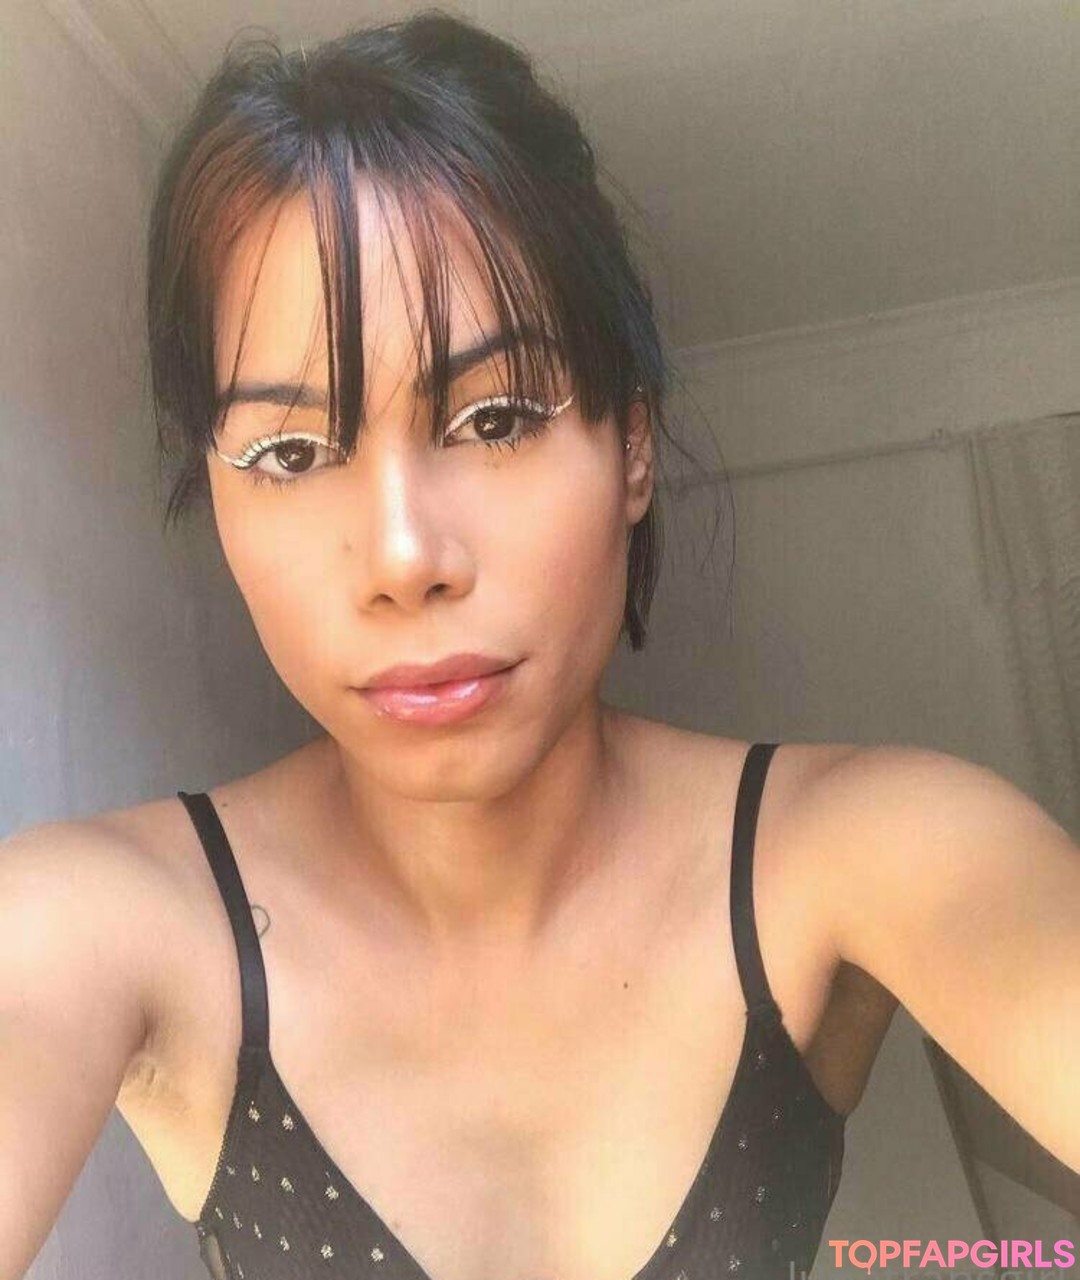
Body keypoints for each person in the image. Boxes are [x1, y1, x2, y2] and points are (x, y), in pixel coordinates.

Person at [2, 10, 1077, 1280]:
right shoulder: (97, 919)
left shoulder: (864, 847)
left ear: (632, 448)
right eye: (290, 451)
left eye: (496, 417)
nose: (405, 556)